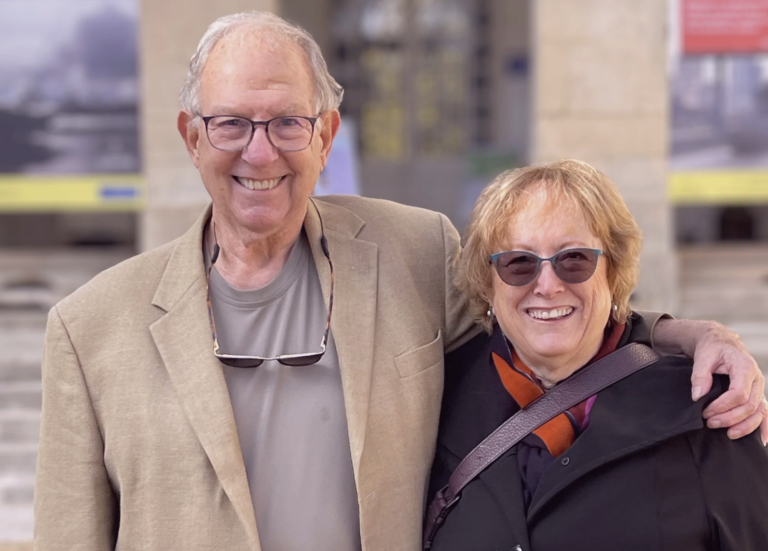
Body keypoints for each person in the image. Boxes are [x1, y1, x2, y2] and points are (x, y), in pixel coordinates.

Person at [34, 11, 766, 551]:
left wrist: (692, 335)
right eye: (231, 124)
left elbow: (547, 311)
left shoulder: (413, 251)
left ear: (326, 135)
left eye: (288, 122)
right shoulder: (89, 329)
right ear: (192, 136)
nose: (260, 152)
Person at [427, 160, 768, 551]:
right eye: (518, 263)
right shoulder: (438, 399)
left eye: (574, 259)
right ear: (489, 283)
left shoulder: (705, 408)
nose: (548, 286)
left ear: (613, 272)